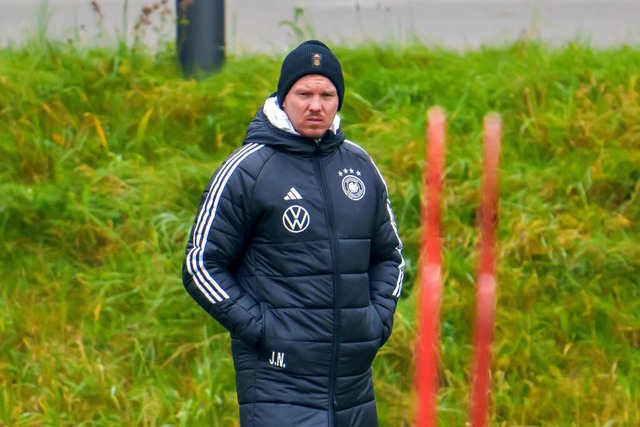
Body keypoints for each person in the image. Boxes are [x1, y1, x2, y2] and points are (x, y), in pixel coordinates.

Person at [182, 40, 404, 427]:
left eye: (326, 94)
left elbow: (390, 256)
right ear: (284, 98)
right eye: (303, 94)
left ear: (338, 101)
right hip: (277, 386)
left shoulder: (360, 166)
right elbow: (200, 264)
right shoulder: (248, 170)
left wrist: (376, 322)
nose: (315, 105)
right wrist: (265, 330)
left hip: (353, 390)